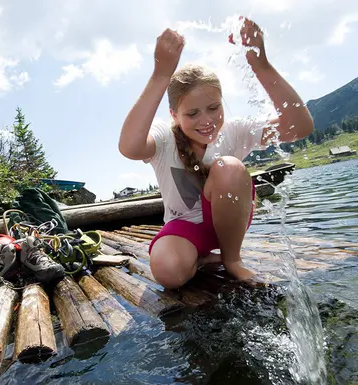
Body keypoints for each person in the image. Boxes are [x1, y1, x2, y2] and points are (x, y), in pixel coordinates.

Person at [118, 17, 314, 290]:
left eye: (213, 108)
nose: (206, 120)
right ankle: (202, 259)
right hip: (184, 229)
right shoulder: (164, 138)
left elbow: (299, 126)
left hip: (229, 223)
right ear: (174, 114)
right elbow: (129, 147)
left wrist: (261, 63)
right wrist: (161, 74)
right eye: (192, 113)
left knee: (230, 167)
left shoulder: (235, 131)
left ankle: (231, 260)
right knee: (168, 271)